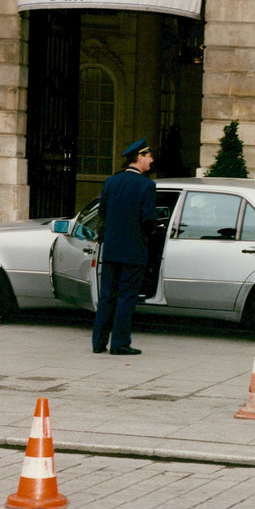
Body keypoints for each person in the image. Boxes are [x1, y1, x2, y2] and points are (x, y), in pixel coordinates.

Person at [91, 138, 157, 355]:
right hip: (134, 251)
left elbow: (102, 213)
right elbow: (148, 219)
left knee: (107, 296)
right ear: (140, 157)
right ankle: (119, 343)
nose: (151, 160)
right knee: (126, 297)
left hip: (111, 250)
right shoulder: (147, 185)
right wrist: (148, 236)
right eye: (149, 156)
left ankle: (98, 343)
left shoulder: (111, 181)